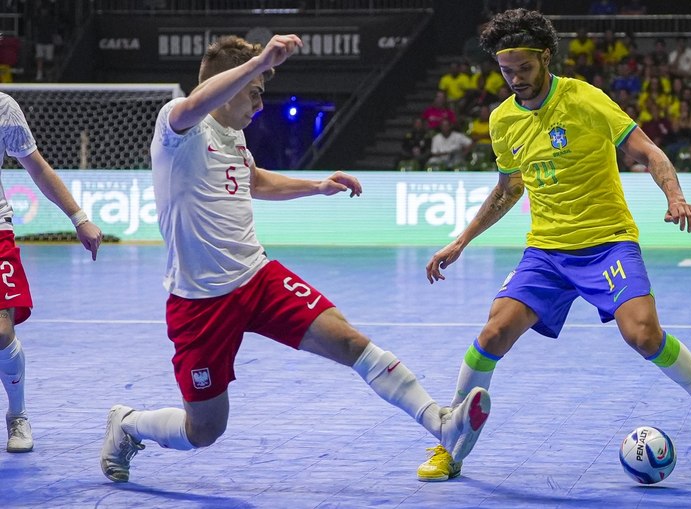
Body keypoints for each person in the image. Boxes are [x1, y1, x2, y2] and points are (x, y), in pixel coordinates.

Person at [99, 34, 491, 483]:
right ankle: (127, 424)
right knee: (205, 429)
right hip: (200, 302)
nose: (260, 104)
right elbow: (200, 102)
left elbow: (255, 181)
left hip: (257, 277)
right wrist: (260, 60)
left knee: (348, 340)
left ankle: (440, 422)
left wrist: (317, 186)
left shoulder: (234, 135)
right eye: (255, 92)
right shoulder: (178, 125)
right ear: (228, 83)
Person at [415, 9, 691, 482]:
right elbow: (508, 189)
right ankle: (451, 443)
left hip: (607, 243)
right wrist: (462, 240)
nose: (515, 79)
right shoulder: (503, 120)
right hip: (547, 253)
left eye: (524, 69)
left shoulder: (585, 99)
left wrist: (675, 196)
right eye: (506, 70)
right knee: (491, 336)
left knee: (644, 335)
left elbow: (648, 152)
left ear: (545, 58)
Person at [0, 91, 103, 452]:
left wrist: (79, 217)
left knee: (1, 331)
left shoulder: (4, 107)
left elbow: (38, 168)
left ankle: (18, 416)